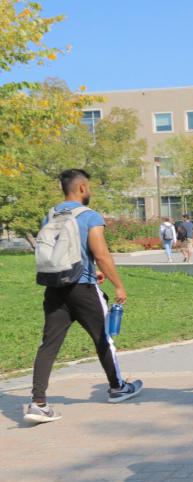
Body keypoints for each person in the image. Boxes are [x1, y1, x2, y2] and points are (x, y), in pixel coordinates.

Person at [27, 169, 143, 424]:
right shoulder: (90, 216)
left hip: (55, 287)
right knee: (104, 338)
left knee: (48, 345)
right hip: (83, 289)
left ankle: (38, 402)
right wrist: (119, 285)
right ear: (81, 188)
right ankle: (117, 387)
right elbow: (101, 254)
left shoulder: (51, 215)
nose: (89, 191)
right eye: (88, 186)